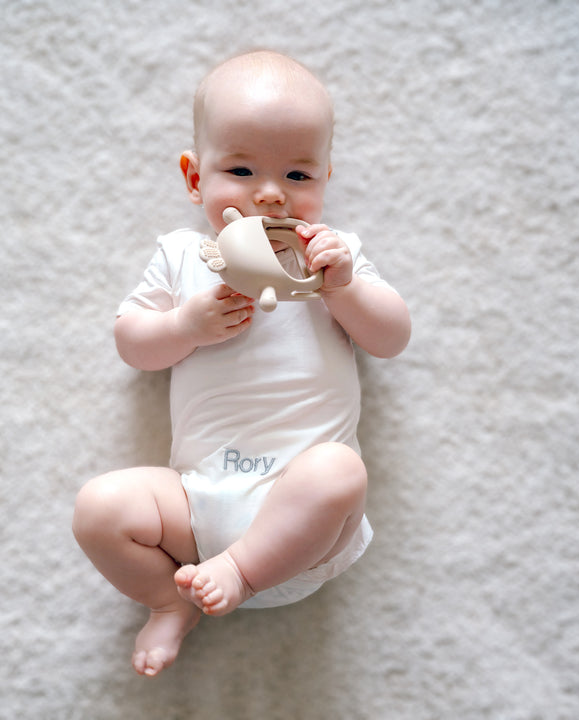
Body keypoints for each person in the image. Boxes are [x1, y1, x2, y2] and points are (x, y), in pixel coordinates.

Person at [72, 50, 411, 677]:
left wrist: (344, 289)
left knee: (339, 470)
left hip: (302, 523)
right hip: (194, 514)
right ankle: (166, 601)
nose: (271, 193)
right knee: (100, 507)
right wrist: (183, 326)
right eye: (242, 168)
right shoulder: (182, 257)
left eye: (300, 177)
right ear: (195, 177)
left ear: (326, 179)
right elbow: (131, 343)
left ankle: (243, 570)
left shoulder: (331, 257)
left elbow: (391, 338)